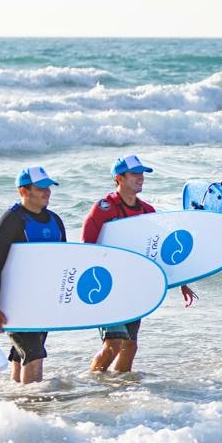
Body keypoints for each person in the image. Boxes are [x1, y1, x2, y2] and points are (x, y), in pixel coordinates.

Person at [79, 154, 196, 373]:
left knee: (130, 346)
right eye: (135, 174)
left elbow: (161, 251)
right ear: (119, 178)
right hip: (108, 286)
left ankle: (118, 389)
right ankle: (93, 383)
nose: (141, 178)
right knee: (112, 345)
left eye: (142, 174)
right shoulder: (104, 208)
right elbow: (87, 245)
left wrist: (182, 282)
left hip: (133, 288)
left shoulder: (147, 211)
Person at [0, 166, 69, 384]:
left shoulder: (56, 221)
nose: (47, 192)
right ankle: (35, 409)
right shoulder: (12, 220)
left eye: (48, 187)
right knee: (35, 353)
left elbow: (65, 263)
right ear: (24, 191)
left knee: (22, 352)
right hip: (14, 302)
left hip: (43, 302)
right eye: (41, 188)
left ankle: (17, 406)